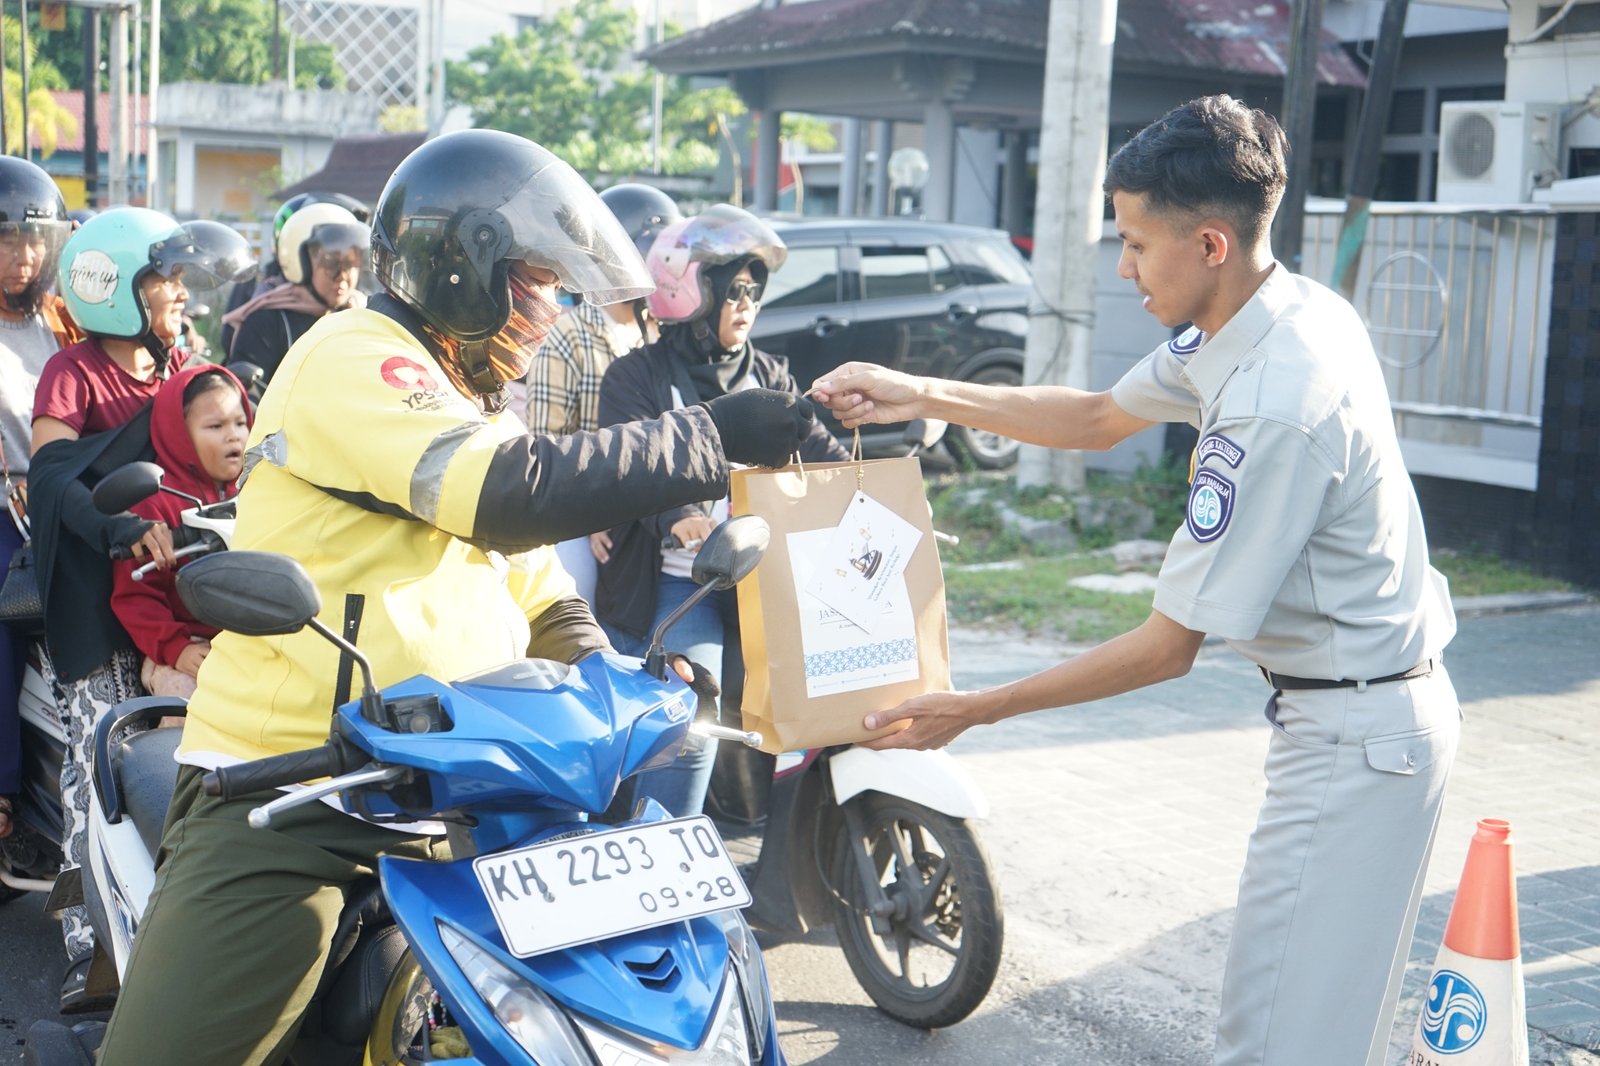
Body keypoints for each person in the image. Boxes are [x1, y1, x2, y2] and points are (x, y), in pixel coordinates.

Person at [95, 128, 816, 1065]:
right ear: (464, 268)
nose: (552, 315)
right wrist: (706, 436)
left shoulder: (459, 395)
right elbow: (508, 495)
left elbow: (539, 591)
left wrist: (608, 674)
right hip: (305, 785)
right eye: (539, 286)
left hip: (469, 782)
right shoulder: (356, 354)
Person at [811, 95, 1459, 1066]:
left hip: (1355, 743)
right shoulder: (1274, 312)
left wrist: (974, 707)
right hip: (1364, 726)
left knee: (1278, 1041)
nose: (1122, 267)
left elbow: (1168, 645)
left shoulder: (1273, 402)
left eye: (1132, 243)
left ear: (1206, 243)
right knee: (1318, 1032)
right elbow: (1096, 416)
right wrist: (924, 392)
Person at [29, 206, 257, 1010]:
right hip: (97, 596)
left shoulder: (182, 367)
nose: (183, 299)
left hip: (178, 594)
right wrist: (119, 528)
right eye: (168, 283)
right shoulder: (75, 374)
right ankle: (90, 943)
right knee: (96, 767)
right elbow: (54, 479)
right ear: (116, 288)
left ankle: (179, 926)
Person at [595, 203, 850, 818]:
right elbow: (629, 461)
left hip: (771, 582)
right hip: (691, 583)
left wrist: (870, 487)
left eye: (756, 290)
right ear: (690, 292)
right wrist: (675, 513)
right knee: (692, 708)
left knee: (843, 684)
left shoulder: (769, 377)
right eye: (734, 288)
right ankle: (665, 845)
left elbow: (823, 454)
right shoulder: (637, 377)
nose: (747, 303)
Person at [523, 181, 682, 602]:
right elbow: (548, 446)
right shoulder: (568, 335)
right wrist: (594, 514)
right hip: (584, 516)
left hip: (651, 513)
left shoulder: (662, 333)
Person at [0, 157, 81, 843]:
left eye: (33, 240)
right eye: (4, 240)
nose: (23, 257)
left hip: (67, 500)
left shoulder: (67, 318)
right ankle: (2, 788)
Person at [109, 364, 251, 701]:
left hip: (252, 643)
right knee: (184, 700)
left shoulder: (259, 490)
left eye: (240, 423)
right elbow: (136, 596)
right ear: (179, 432)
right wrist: (177, 648)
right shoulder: (157, 505)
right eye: (215, 426)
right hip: (184, 649)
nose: (233, 436)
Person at [225, 201, 369, 382]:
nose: (342, 276)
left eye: (349, 264)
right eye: (331, 263)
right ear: (301, 263)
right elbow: (247, 396)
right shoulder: (267, 321)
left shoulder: (362, 315)